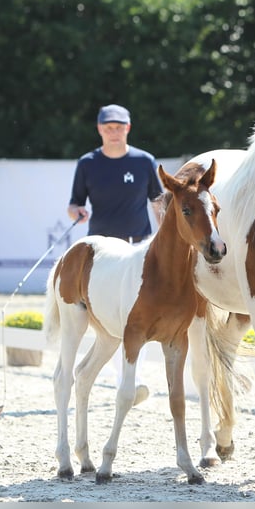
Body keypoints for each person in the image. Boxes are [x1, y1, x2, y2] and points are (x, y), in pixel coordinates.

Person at [67, 104, 164, 406]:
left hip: (138, 250)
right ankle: (125, 380)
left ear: (128, 128)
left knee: (140, 314)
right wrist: (77, 212)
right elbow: (74, 203)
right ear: (99, 129)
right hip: (102, 254)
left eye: (119, 126)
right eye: (108, 127)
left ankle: (131, 381)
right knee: (109, 320)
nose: (113, 132)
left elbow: (159, 204)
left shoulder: (143, 161)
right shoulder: (87, 163)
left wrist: (166, 239)